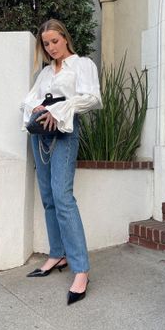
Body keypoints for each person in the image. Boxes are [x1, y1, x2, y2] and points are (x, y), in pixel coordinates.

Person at [22, 19, 102, 305]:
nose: (51, 47)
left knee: (63, 196)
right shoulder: (45, 72)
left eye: (55, 41)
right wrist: (39, 107)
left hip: (65, 132)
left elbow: (92, 98)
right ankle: (58, 254)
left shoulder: (82, 65)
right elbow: (29, 100)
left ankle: (81, 269)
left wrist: (61, 107)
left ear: (65, 38)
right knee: (48, 198)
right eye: (46, 43)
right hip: (40, 134)